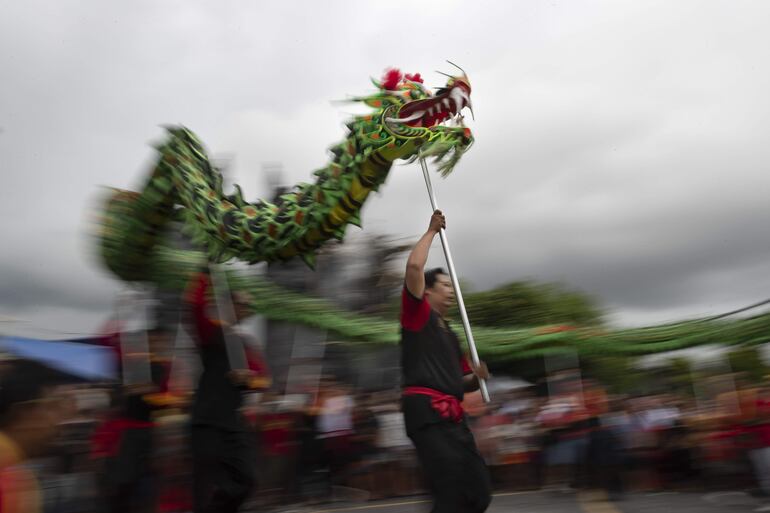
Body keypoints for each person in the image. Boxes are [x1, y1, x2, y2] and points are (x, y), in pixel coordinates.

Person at [400, 209, 492, 513]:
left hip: (453, 418)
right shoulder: (418, 317)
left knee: (478, 490)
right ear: (427, 292)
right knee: (450, 490)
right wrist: (431, 231)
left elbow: (462, 384)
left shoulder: (451, 334)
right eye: (445, 285)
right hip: (426, 414)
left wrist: (477, 376)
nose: (451, 291)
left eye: (452, 287)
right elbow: (414, 265)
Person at [185, 269, 271, 513]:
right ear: (227, 305)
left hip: (233, 423)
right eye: (240, 303)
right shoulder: (211, 331)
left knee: (247, 479)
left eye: (246, 305)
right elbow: (194, 306)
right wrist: (204, 274)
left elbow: (263, 379)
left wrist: (249, 378)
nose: (244, 308)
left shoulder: (245, 344)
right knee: (205, 483)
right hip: (207, 420)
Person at [0, 359, 67, 513]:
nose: (60, 419)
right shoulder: (9, 481)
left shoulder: (16, 474)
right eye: (52, 406)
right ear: (23, 411)